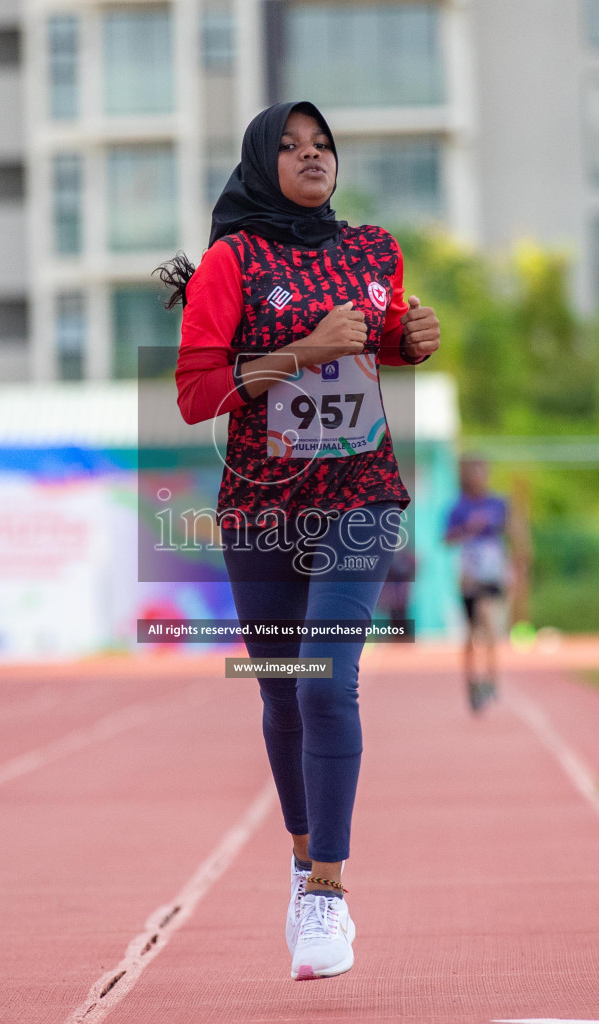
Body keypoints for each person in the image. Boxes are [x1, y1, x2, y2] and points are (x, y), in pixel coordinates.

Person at [166, 100, 440, 981]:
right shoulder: (233, 261)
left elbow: (379, 338)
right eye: (289, 146)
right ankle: (300, 859)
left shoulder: (374, 250)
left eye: (322, 145)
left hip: (360, 492)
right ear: (259, 163)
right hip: (261, 505)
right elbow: (196, 394)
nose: (310, 156)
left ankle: (328, 889)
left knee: (327, 679)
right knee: (280, 691)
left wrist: (409, 339)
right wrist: (304, 346)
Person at [444, 457, 509, 712]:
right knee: (472, 631)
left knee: (491, 625)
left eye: (482, 471)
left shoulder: (498, 503)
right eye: (474, 472)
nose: (479, 477)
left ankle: (491, 680)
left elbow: (511, 532)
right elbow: (447, 539)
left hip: (492, 571)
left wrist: (515, 567)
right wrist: (468, 529)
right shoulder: (458, 507)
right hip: (470, 572)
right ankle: (472, 680)